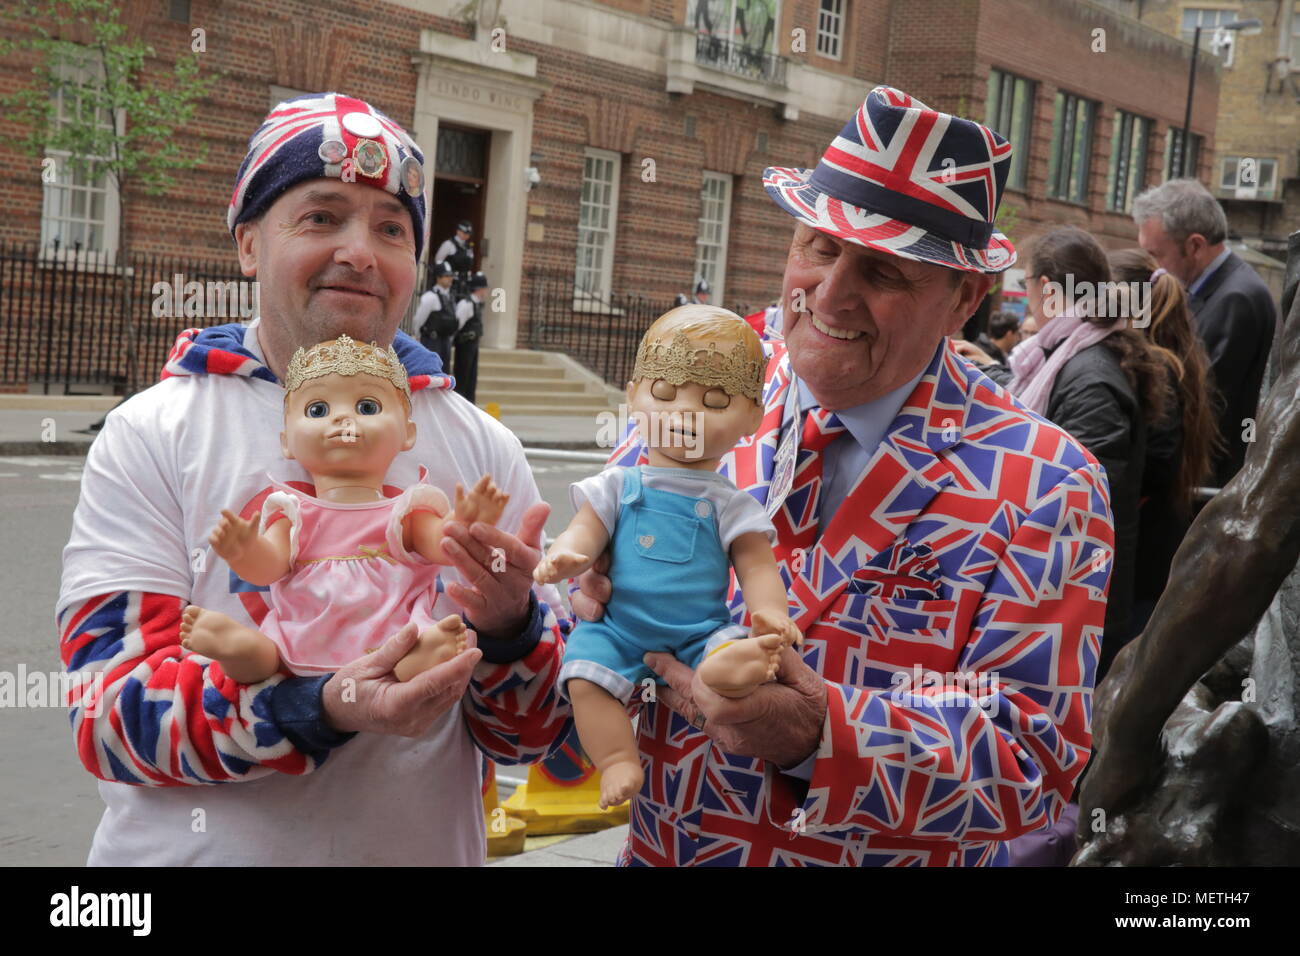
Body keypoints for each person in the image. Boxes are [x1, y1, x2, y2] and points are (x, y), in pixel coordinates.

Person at [574, 86, 1116, 866]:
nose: (829, 295)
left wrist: (818, 732)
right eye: (818, 247)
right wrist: (526, 616)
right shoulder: (708, 383)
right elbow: (581, 640)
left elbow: (1033, 759)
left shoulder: (1046, 482)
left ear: (963, 298)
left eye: (884, 272)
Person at [55, 92, 570, 866]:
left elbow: (536, 733)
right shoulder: (151, 433)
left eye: (391, 229)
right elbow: (109, 717)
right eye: (322, 217)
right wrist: (320, 706)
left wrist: (511, 631)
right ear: (250, 244)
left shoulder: (484, 447)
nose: (361, 252)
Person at [534, 305, 799, 810]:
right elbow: (586, 529)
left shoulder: (731, 502)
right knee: (584, 676)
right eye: (663, 392)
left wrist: (772, 616)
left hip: (701, 630)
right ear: (633, 394)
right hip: (617, 627)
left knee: (725, 653)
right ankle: (615, 758)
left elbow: (757, 565)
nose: (685, 413)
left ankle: (735, 666)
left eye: (715, 400)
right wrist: (569, 554)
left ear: (751, 416)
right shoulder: (617, 483)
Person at [958, 226, 1170, 684]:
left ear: (1049, 289)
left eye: (1027, 281)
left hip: (1075, 594)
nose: (1025, 293)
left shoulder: (1088, 372)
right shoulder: (1077, 354)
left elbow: (1084, 496)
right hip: (1061, 586)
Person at [1131, 179, 1277, 489]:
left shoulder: (1236, 298)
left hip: (1208, 482)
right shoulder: (1216, 289)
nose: (1151, 268)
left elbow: (1201, 399)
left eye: (1155, 254)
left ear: (1195, 245)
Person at [1107, 249, 1219, 638]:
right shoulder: (1176, 359)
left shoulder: (1156, 367)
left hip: (1144, 555)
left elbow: (1158, 460)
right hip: (1155, 548)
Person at [413, 259, 459, 369]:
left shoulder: (450, 297)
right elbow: (418, 320)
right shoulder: (430, 297)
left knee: (444, 373)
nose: (450, 279)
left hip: (445, 342)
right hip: (432, 341)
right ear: (438, 277)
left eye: (451, 276)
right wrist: (418, 336)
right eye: (446, 276)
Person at [452, 271, 488, 404]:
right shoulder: (466, 304)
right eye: (485, 288)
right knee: (463, 377)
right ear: (480, 289)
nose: (486, 292)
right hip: (465, 345)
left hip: (473, 345)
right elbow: (457, 324)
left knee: (471, 379)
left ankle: (469, 403)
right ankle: (461, 405)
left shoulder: (476, 304)